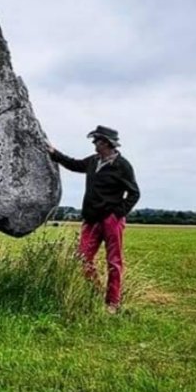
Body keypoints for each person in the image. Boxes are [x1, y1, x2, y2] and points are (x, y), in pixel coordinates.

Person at [48, 126, 140, 313]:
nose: (94, 143)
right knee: (81, 258)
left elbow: (134, 193)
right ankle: (96, 292)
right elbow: (74, 164)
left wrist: (117, 213)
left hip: (111, 220)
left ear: (106, 143)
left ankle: (112, 303)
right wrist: (54, 153)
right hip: (91, 219)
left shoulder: (123, 166)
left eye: (97, 140)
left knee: (114, 261)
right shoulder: (93, 161)